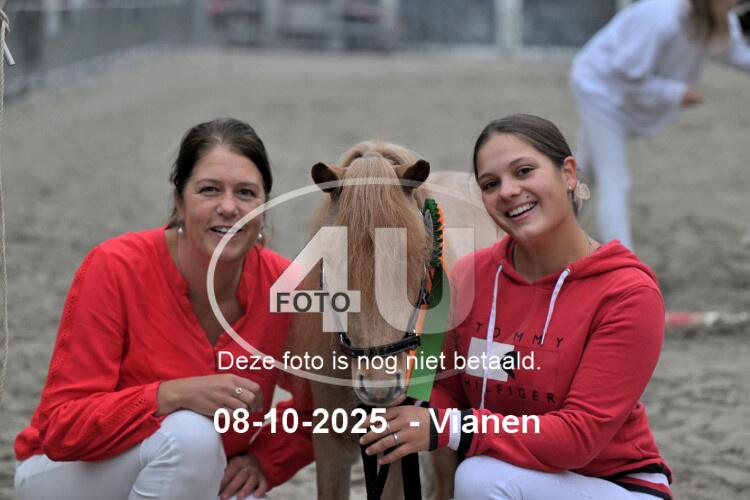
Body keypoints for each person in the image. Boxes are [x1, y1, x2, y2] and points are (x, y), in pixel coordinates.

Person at [360, 114, 672, 499]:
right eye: (490, 184)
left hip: (616, 485)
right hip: (514, 478)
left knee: (479, 478)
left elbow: (578, 437)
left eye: (524, 171)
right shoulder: (469, 275)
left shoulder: (628, 292)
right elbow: (444, 389)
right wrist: (398, 396)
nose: (508, 191)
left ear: (569, 173)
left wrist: (445, 428)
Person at [14, 118, 313, 500]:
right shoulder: (115, 266)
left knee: (227, 477)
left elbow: (329, 399)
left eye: (246, 193)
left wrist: (265, 460)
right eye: (209, 190)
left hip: (194, 472)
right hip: (67, 473)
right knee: (191, 437)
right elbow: (62, 429)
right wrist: (169, 395)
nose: (228, 207)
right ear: (178, 202)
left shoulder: (287, 286)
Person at [569, 0, 750, 249]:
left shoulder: (716, 17)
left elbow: (735, 53)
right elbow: (625, 71)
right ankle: (623, 264)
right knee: (615, 180)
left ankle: (556, 232)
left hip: (622, 96)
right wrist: (674, 92)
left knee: (585, 174)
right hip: (599, 91)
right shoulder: (662, 14)